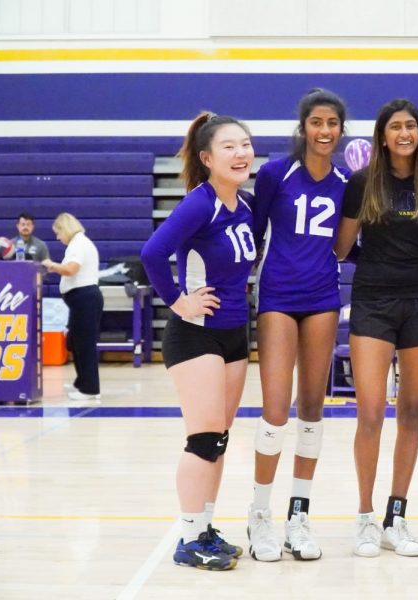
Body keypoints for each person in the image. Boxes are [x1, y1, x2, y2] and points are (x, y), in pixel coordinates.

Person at [335, 98, 418, 558]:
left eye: (411, 125)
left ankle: (397, 516)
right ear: (382, 136)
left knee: (412, 412)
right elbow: (342, 246)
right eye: (396, 127)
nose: (404, 133)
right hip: (372, 301)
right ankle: (366, 517)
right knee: (370, 411)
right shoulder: (361, 183)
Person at [140, 112, 258, 571]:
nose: (240, 153)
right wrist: (177, 301)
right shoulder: (200, 202)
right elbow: (152, 253)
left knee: (220, 439)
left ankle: (204, 527)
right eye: (229, 146)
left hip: (233, 334)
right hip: (195, 336)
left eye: (245, 144)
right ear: (207, 158)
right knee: (203, 438)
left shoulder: (245, 206)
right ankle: (188, 538)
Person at [246, 88, 349, 562]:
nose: (324, 131)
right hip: (278, 297)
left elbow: (350, 245)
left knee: (312, 406)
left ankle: (298, 516)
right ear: (303, 126)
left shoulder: (347, 182)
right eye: (317, 122)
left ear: (340, 129)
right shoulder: (274, 174)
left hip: (324, 297)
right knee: (275, 410)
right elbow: (253, 232)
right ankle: (259, 515)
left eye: (332, 123)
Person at [41, 213, 102, 401]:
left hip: (84, 299)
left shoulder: (78, 244)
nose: (58, 238)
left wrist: (50, 265)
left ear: (65, 229)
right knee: (74, 342)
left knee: (84, 344)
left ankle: (90, 389)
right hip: (81, 300)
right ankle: (82, 382)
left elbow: (71, 269)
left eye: (58, 233)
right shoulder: (79, 243)